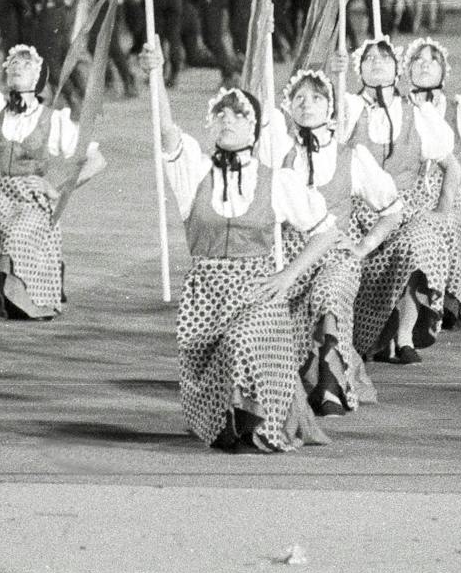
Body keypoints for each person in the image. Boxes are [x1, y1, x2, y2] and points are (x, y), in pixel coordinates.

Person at [144, 64, 336, 452]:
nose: (228, 120)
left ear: (255, 129)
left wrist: (288, 277)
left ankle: (252, 425)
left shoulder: (275, 180)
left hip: (257, 291)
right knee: (214, 363)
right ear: (212, 126)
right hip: (205, 297)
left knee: (241, 341)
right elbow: (166, 133)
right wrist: (156, 74)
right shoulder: (194, 172)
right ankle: (228, 420)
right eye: (221, 114)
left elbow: (326, 232)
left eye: (239, 114)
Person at [272, 67, 404, 416]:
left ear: (330, 108)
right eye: (299, 98)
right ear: (288, 107)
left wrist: (362, 247)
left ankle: (330, 386)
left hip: (336, 256)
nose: (307, 104)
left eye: (316, 98)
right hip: (289, 259)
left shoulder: (351, 156)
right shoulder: (279, 156)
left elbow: (392, 210)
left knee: (327, 294)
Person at [342, 37, 458, 364]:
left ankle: (405, 334)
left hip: (405, 209)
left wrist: (442, 210)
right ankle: (368, 335)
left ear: (396, 68)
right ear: (359, 69)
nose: (377, 61)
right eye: (369, 58)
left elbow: (450, 161)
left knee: (417, 247)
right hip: (358, 211)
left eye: (384, 56)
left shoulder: (415, 112)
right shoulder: (350, 107)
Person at [0, 43, 104, 320]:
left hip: (30, 202)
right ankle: (7, 289)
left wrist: (57, 189)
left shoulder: (52, 119)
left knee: (17, 238)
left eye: (27, 64)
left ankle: (25, 294)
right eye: (14, 64)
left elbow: (96, 160)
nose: (19, 67)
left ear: (38, 77)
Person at [405, 38, 461, 329]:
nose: (426, 63)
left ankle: (453, 302)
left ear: (443, 70)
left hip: (444, 192)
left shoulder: (454, 109)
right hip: (407, 192)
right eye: (419, 59)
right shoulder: (399, 106)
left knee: (455, 218)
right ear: (407, 69)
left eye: (433, 59)